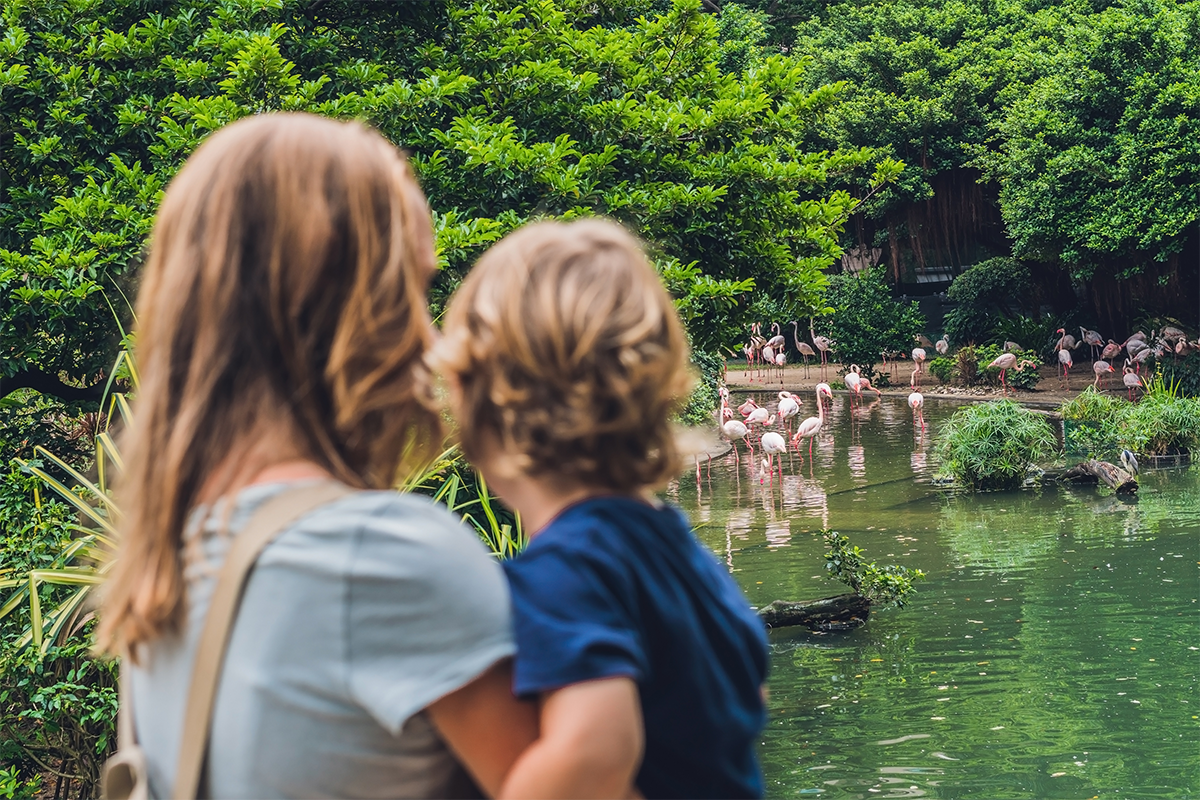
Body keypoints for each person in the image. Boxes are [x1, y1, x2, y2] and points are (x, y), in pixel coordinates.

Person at [98, 113, 536, 800]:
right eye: (412, 294)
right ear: (348, 312)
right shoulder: (382, 556)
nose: (435, 342)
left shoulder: (164, 569)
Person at [432, 219, 770, 800]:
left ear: (477, 400)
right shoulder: (672, 542)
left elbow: (594, 755)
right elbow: (748, 690)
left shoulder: (567, 569)